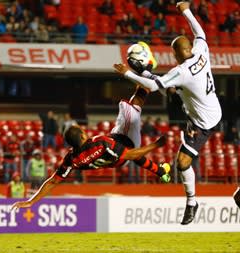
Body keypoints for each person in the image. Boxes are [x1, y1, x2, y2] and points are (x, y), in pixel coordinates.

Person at [113, 2, 222, 225]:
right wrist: (185, 10)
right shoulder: (201, 49)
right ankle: (150, 74)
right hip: (211, 109)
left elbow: (154, 87)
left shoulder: (182, 70)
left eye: (173, 53)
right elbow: (199, 32)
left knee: (182, 163)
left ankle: (192, 202)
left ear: (178, 53)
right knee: (168, 85)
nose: (173, 57)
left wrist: (128, 74)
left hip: (202, 122)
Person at [12, 85, 172, 211]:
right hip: (128, 143)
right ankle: (145, 77)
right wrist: (156, 144)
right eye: (82, 130)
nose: (84, 130)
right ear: (82, 136)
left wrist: (31, 201)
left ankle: (161, 172)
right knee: (131, 109)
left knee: (128, 109)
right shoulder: (100, 143)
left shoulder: (72, 159)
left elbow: (53, 181)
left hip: (116, 140)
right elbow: (130, 155)